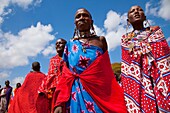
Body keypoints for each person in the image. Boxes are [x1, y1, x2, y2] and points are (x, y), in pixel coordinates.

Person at [54, 8, 127, 113]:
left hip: (98, 92)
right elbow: (66, 75)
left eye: (85, 15)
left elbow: (106, 71)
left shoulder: (100, 41)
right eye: (78, 16)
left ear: (91, 21)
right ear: (75, 23)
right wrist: (60, 101)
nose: (81, 18)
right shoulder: (69, 45)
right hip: (76, 92)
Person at [121, 5, 170, 113]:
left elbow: (164, 53)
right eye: (132, 11)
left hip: (158, 75)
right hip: (139, 80)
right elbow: (128, 61)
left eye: (139, 10)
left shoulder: (155, 31)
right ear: (128, 20)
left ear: (145, 17)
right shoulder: (125, 39)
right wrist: (142, 46)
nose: (136, 12)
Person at [38, 38, 67, 113]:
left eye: (60, 43)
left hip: (68, 88)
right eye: (56, 43)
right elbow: (51, 75)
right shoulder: (52, 60)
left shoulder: (70, 58)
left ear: (66, 45)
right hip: (55, 91)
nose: (57, 44)